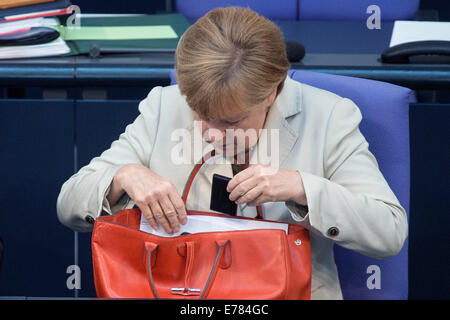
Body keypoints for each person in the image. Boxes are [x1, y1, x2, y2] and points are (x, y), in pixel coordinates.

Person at [57, 7, 408, 299]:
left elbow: (388, 231)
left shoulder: (329, 117)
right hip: (179, 292)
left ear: (272, 92)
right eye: (200, 114)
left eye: (229, 121)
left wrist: (302, 189)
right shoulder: (165, 106)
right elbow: (69, 205)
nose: (209, 133)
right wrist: (123, 178)